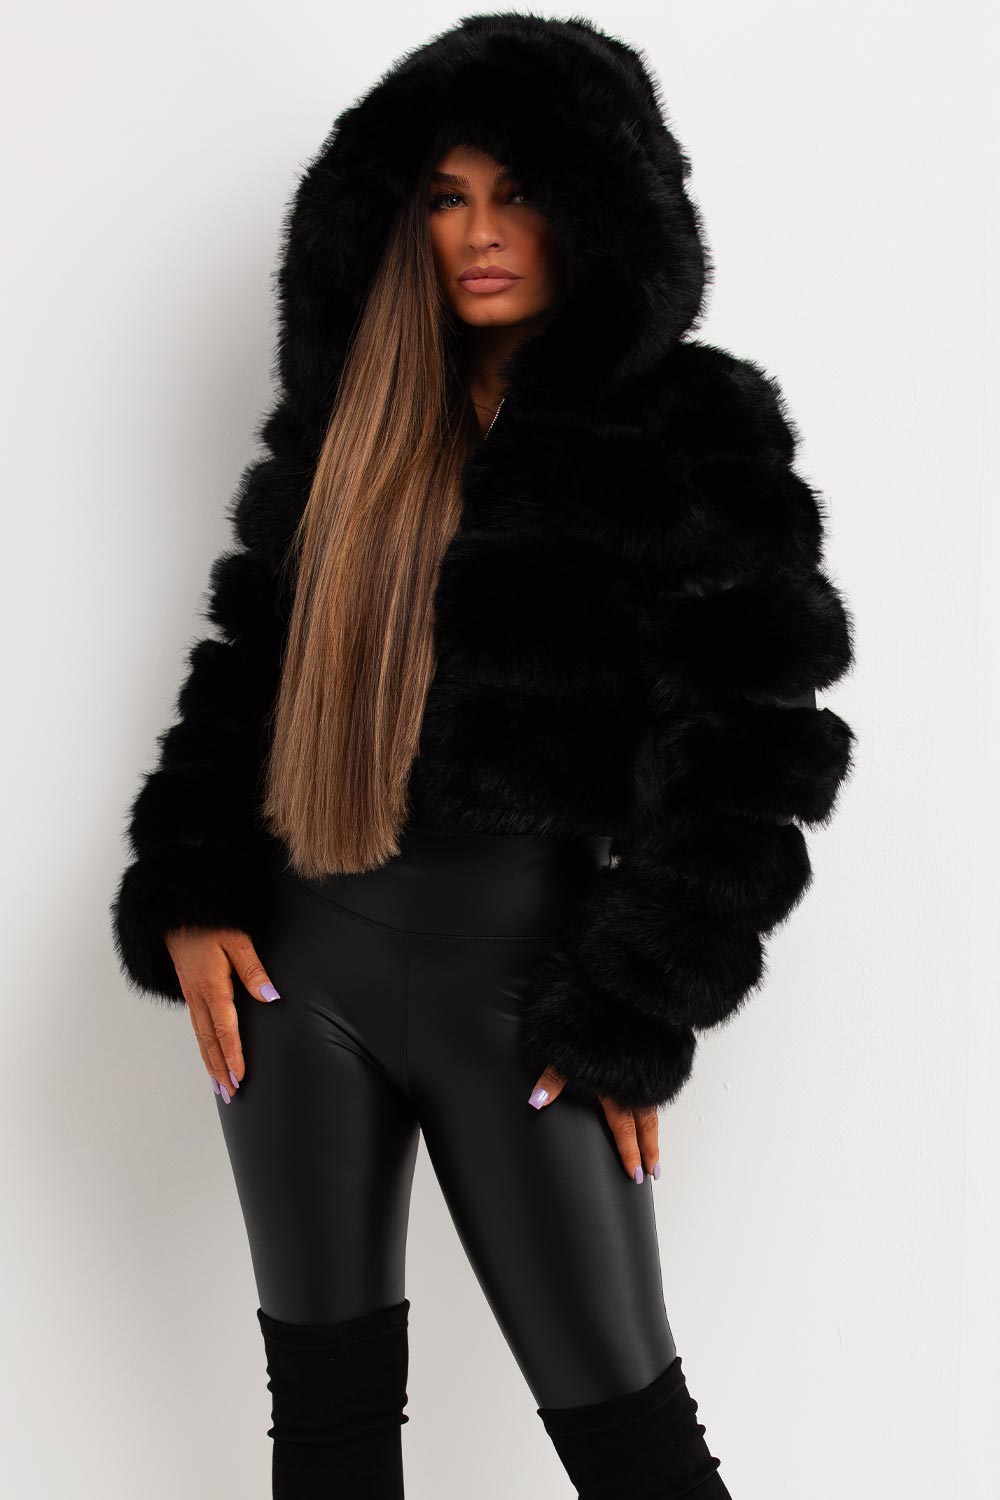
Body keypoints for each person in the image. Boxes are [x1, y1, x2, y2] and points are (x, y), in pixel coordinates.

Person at [110, 14, 855, 1499]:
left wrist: (636, 998)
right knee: (326, 1440)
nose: (480, 234)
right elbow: (248, 664)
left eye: (518, 193)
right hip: (297, 978)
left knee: (638, 1451)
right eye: (445, 197)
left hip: (524, 997)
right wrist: (191, 882)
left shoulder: (690, 430)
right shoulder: (351, 426)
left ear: (598, 206)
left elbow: (755, 746)